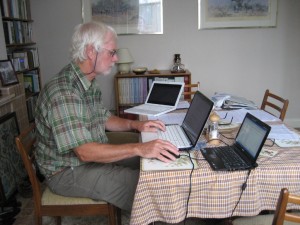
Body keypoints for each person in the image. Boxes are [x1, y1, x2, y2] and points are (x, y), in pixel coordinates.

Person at [34, 21, 179, 212]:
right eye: (112, 52)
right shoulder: (63, 93)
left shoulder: (88, 80)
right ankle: (159, 212)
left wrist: (136, 126)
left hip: (86, 156)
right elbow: (85, 152)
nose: (116, 58)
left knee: (157, 163)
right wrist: (139, 147)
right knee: (146, 183)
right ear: (90, 52)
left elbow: (103, 118)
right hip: (66, 171)